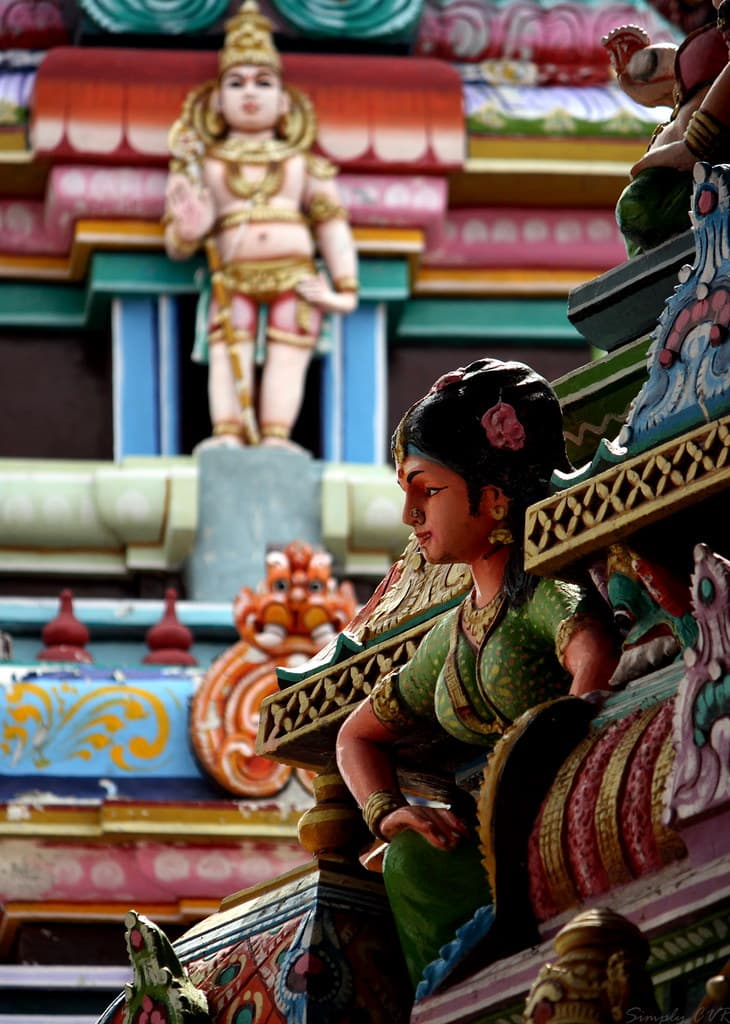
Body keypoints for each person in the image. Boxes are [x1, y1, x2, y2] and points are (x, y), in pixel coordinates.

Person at [335, 359, 619, 991]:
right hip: (487, 839)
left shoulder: (540, 595)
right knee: (410, 859)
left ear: (492, 498)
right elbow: (355, 735)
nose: (409, 512)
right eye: (406, 489)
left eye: (427, 489)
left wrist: (556, 765)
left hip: (554, 825)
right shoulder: (451, 637)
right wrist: (387, 813)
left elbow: (591, 650)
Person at [164, 0, 358, 448]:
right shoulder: (204, 163)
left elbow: (332, 225)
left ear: (285, 103)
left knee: (290, 352)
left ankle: (275, 434)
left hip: (298, 278)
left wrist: (344, 289)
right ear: (216, 101)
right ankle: (229, 430)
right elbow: (178, 239)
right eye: (236, 82)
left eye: (263, 82)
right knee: (225, 346)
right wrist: (189, 229)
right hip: (231, 275)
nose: (250, 92)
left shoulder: (302, 164)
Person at [604, 4, 730, 255]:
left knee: (638, 206)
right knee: (636, 210)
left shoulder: (701, 61)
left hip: (706, 175)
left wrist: (693, 145)